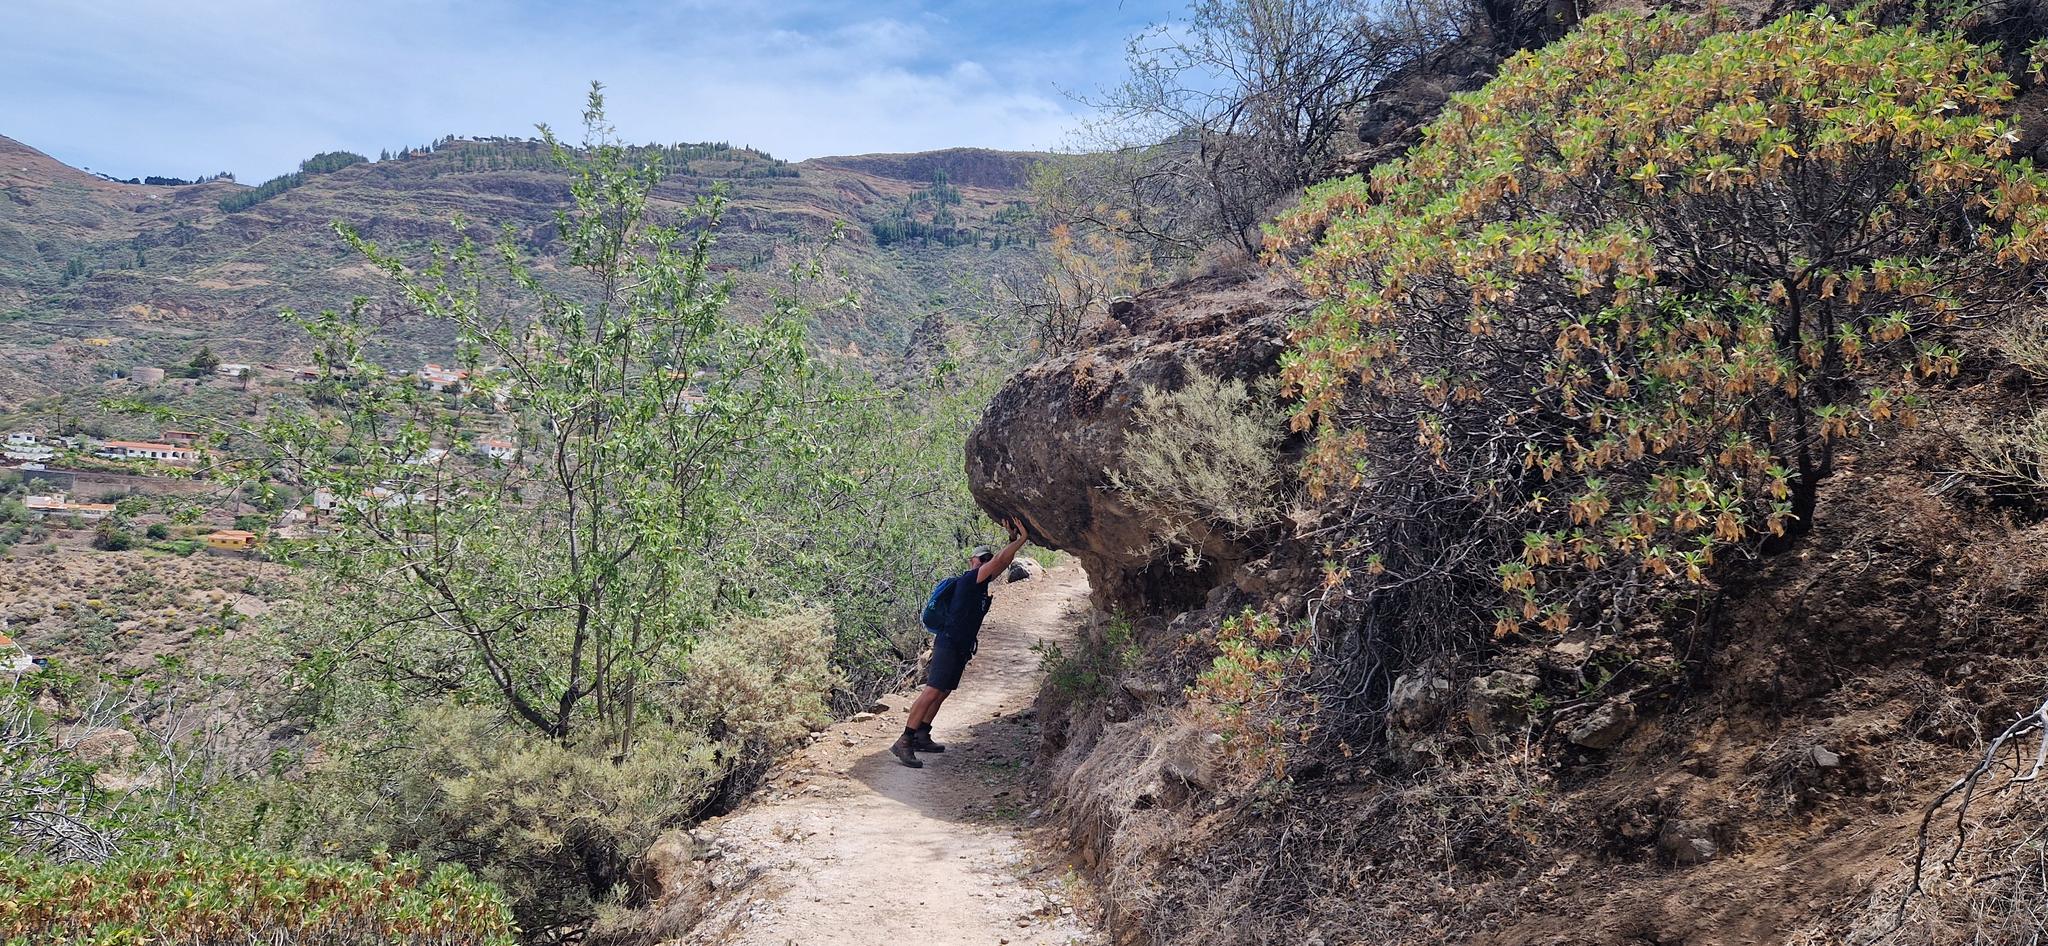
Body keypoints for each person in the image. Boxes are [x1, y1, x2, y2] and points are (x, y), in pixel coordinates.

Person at [892, 517, 1029, 768]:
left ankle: (922, 734)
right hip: (948, 643)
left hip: (960, 646)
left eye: (987, 558)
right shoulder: (969, 580)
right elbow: (1000, 560)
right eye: (981, 559)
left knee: (943, 691)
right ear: (972, 562)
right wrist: (1022, 540)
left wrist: (1011, 540)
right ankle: (904, 740)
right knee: (933, 690)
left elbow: (1001, 563)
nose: (985, 562)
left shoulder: (981, 585)